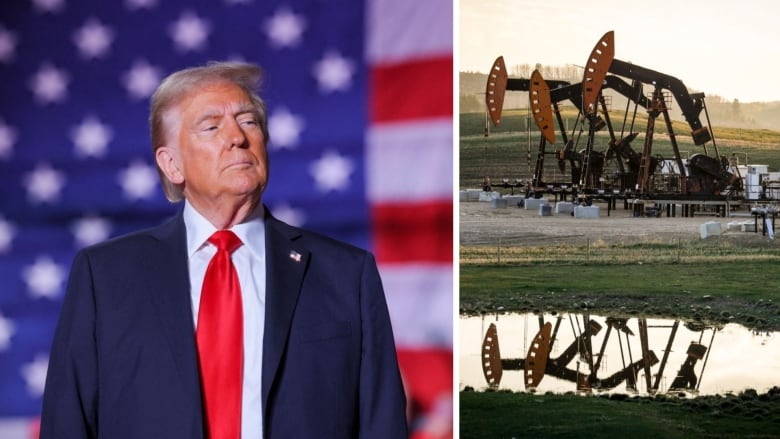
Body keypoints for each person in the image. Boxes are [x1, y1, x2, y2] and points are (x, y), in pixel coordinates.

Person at [40, 62, 408, 438]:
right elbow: (67, 422)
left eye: (248, 122)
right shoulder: (104, 275)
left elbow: (383, 422)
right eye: (212, 126)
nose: (237, 137)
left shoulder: (346, 273)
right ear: (171, 164)